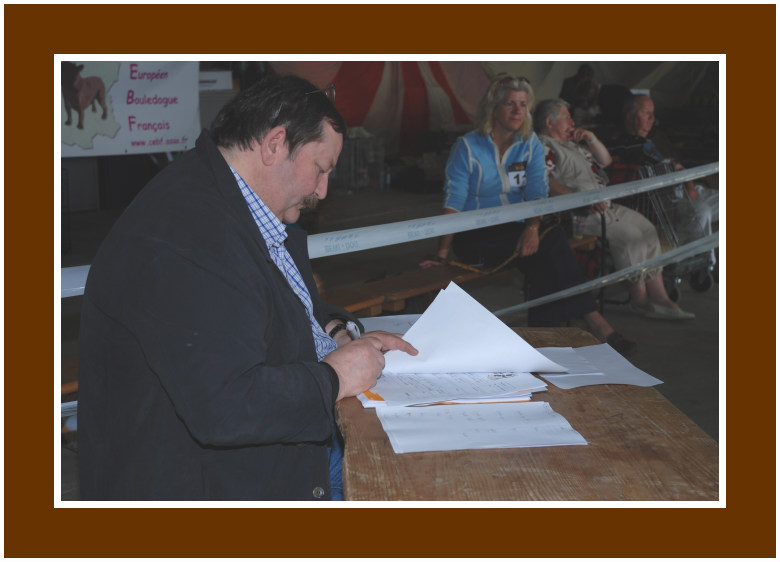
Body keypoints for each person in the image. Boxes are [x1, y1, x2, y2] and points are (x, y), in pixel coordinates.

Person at [77, 75, 417, 501]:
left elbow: (282, 303)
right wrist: (334, 377)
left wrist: (335, 332)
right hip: (213, 485)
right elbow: (226, 406)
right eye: (320, 169)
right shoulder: (190, 233)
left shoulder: (236, 206)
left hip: (273, 454)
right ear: (275, 145)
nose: (322, 190)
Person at [423, 74, 636, 356]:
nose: (517, 111)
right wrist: (442, 253)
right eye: (510, 104)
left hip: (520, 228)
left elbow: (538, 192)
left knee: (544, 259)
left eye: (523, 105)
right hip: (476, 235)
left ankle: (543, 342)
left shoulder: (530, 143)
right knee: (552, 244)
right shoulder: (467, 147)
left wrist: (532, 227)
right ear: (493, 108)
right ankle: (590, 324)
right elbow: (454, 201)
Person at [534, 98, 695, 320]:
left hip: (604, 204)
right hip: (578, 213)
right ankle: (639, 300)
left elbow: (606, 161)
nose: (572, 122)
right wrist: (580, 199)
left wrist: (591, 138)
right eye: (567, 118)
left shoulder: (574, 144)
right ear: (549, 122)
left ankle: (659, 296)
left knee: (647, 230)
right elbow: (546, 181)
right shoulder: (543, 146)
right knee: (629, 237)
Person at [609, 94, 719, 266]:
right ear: (629, 117)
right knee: (702, 211)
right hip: (665, 199)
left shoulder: (653, 141)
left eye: (653, 114)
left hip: (685, 186)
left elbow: (678, 165)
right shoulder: (622, 147)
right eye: (646, 113)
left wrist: (689, 186)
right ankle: (704, 265)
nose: (652, 119)